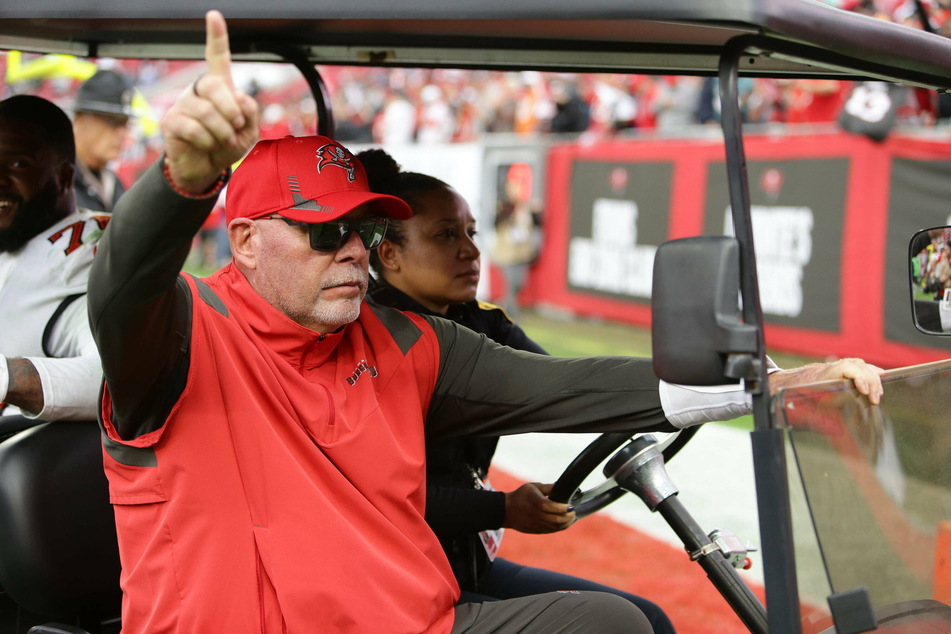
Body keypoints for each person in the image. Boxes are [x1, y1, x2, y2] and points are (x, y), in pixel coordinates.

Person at [87, 11, 885, 633]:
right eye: (326, 232)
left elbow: (568, 385)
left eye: (364, 232)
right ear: (247, 240)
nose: (355, 254)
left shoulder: (404, 339)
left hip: (415, 622)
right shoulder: (183, 330)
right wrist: (182, 181)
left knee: (610, 622)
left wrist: (768, 382)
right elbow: (122, 284)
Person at [359, 147, 677, 634]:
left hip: (463, 563)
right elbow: (382, 497)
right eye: (446, 235)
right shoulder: (369, 344)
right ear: (389, 254)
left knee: (650, 618)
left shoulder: (483, 323)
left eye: (470, 232)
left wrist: (699, 386)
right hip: (393, 581)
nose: (470, 250)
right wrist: (502, 509)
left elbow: (568, 389)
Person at [0, 94, 110, 421]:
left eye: (18, 164)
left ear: (63, 177)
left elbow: (119, 379)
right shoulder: (14, 237)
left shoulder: (88, 254)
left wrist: (9, 377)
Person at [72, 68, 136, 213]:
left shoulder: (115, 185)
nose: (122, 133)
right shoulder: (56, 184)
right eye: (112, 121)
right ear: (80, 119)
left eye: (125, 123)